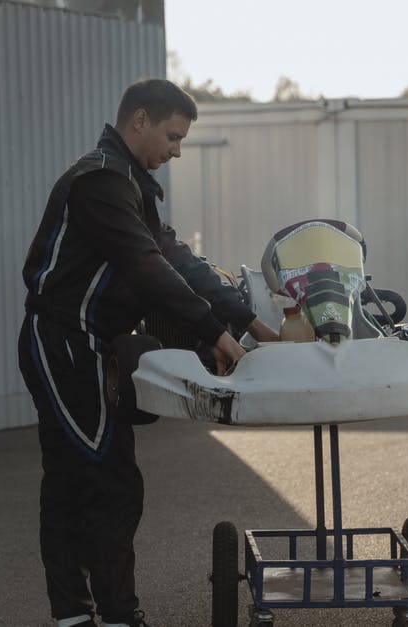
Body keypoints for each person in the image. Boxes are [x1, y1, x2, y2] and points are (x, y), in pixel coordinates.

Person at [18, 78, 278, 627]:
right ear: (139, 120)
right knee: (107, 479)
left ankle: (78, 614)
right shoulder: (100, 182)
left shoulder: (131, 185)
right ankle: (113, 614)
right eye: (173, 136)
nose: (176, 151)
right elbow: (147, 268)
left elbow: (178, 260)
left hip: (87, 343)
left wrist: (249, 320)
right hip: (63, 341)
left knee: (74, 478)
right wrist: (215, 333)